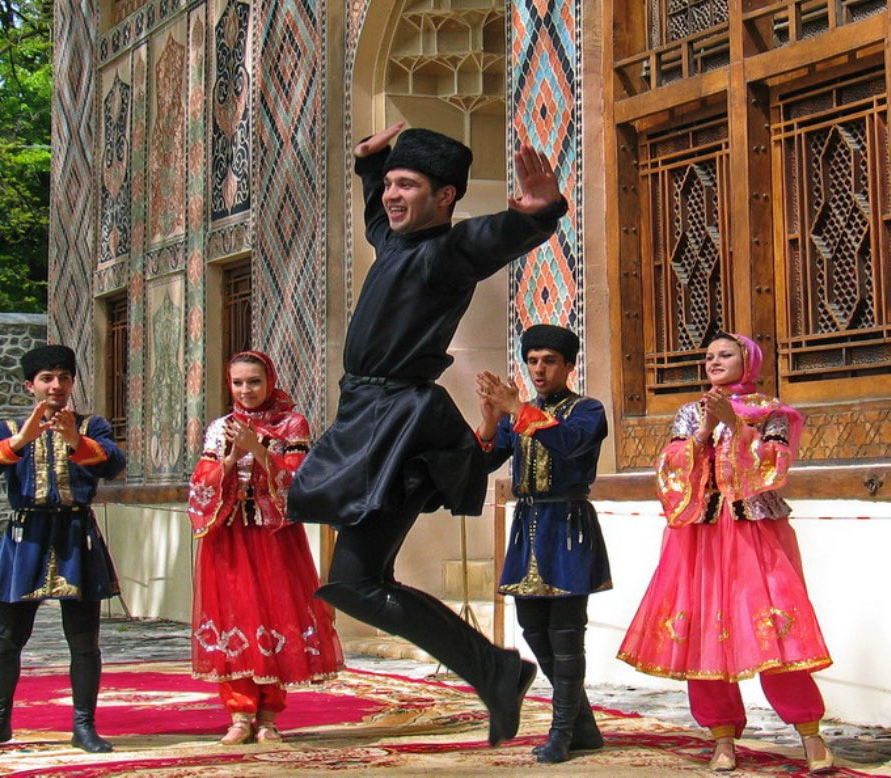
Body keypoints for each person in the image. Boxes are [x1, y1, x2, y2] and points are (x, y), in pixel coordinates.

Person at [287, 121, 568, 746]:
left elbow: (488, 240)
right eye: (391, 184)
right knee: (357, 583)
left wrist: (536, 214)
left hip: (401, 428)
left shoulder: (446, 254)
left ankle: (496, 670)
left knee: (355, 584)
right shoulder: (392, 241)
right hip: (367, 418)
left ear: (444, 197)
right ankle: (512, 682)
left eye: (406, 185)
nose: (392, 195)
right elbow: (375, 213)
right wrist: (370, 164)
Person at [617, 332, 835, 773]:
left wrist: (736, 425)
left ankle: (810, 733)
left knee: (777, 629)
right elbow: (670, 469)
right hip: (702, 537)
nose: (714, 362)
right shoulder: (690, 412)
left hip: (755, 534)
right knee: (704, 635)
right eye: (709, 356)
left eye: (725, 354)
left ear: (748, 361)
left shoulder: (772, 411)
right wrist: (702, 433)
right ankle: (722, 737)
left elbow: (775, 464)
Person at [0, 344, 127, 754]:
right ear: (30, 385)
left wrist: (75, 440)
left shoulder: (92, 426)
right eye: (47, 379)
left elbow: (113, 464)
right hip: (27, 537)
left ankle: (84, 726)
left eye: (64, 378)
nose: (56, 386)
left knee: (84, 641)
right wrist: (21, 440)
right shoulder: (8, 428)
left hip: (75, 535)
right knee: (7, 637)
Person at [188, 351, 345, 745]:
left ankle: (269, 717)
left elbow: (301, 480)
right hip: (229, 536)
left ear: (270, 381)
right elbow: (202, 481)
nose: (246, 390)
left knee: (276, 618)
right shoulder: (220, 427)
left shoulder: (291, 424)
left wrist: (258, 451)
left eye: (254, 381)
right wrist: (232, 457)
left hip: (274, 537)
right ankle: (239, 714)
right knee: (234, 619)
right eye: (238, 383)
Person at [474, 324, 610, 763]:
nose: (539, 369)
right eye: (532, 361)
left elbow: (569, 444)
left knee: (567, 637)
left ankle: (563, 731)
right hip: (528, 525)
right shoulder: (520, 414)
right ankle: (583, 726)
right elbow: (483, 461)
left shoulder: (587, 410)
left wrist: (517, 408)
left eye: (549, 361)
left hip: (567, 525)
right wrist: (491, 419)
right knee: (533, 629)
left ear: (569, 366)